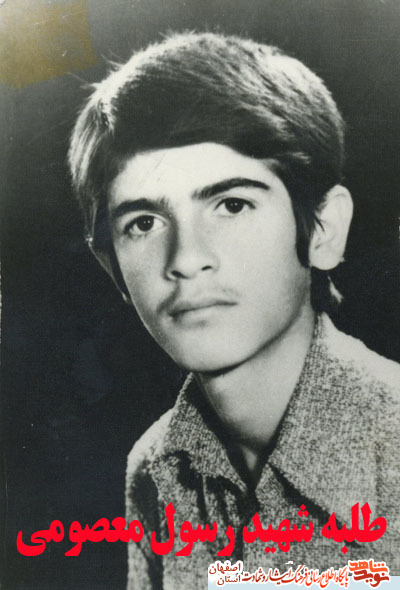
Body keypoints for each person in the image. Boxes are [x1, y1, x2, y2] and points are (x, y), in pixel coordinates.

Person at [68, 32, 399, 589]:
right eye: (143, 223)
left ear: (323, 229)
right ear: (113, 269)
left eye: (232, 204)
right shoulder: (155, 468)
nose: (186, 259)